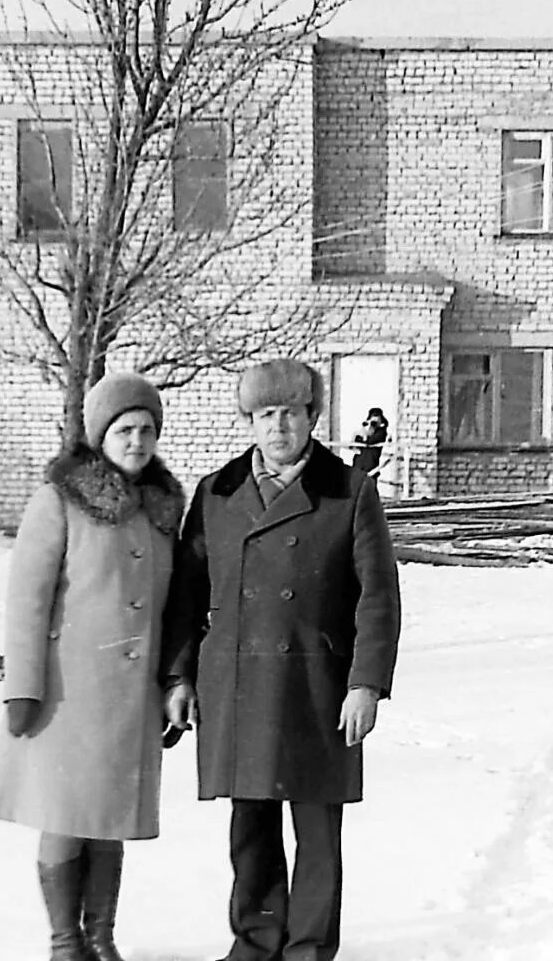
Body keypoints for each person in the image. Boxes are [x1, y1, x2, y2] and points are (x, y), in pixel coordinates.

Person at [162, 358, 401, 961]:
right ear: (250, 421)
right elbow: (189, 594)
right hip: (238, 680)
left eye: (290, 414)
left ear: (312, 418)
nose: (278, 428)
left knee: (318, 828)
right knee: (251, 824)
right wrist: (180, 675)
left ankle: (310, 947)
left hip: (318, 684)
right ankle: (256, 939)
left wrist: (366, 684)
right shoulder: (217, 493)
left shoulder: (349, 491)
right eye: (265, 415)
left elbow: (378, 597)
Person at [0, 372, 185, 961]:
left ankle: (102, 937)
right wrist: (23, 686)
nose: (136, 441)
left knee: (109, 821)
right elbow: (27, 597)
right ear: (99, 436)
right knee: (65, 815)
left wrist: (174, 680)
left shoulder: (164, 508)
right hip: (67, 694)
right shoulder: (58, 501)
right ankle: (66, 941)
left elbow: (177, 604)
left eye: (146, 430)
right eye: (124, 430)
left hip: (133, 697)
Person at [350, 407, 389, 474]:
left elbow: (370, 442)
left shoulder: (381, 432)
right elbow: (355, 443)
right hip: (359, 464)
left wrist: (370, 429)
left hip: (371, 465)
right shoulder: (363, 431)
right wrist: (364, 429)